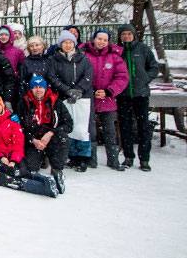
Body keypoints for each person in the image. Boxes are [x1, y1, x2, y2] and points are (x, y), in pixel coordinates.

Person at [81, 29, 129, 171]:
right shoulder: (84, 55)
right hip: (89, 97)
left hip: (108, 99)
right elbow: (81, 75)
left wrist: (109, 91)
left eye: (104, 40)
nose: (101, 42)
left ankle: (113, 160)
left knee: (110, 131)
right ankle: (91, 159)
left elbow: (122, 77)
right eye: (99, 38)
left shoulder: (115, 57)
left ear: (108, 42)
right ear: (93, 39)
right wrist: (91, 90)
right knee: (90, 131)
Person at [47, 30, 94, 172]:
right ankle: (70, 156)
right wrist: (66, 90)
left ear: (74, 43)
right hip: (64, 97)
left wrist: (79, 90)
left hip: (82, 98)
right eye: (64, 42)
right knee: (68, 127)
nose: (67, 45)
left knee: (81, 128)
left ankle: (83, 158)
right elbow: (52, 77)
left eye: (70, 42)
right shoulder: (54, 59)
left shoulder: (83, 59)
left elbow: (88, 76)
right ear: (60, 44)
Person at [17, 75, 71, 193]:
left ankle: (57, 169)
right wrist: (32, 140)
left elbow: (69, 124)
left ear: (45, 88)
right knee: (31, 168)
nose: (38, 90)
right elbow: (19, 126)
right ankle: (41, 158)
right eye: (35, 87)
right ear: (31, 89)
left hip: (52, 137)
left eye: (41, 87)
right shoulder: (24, 103)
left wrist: (51, 133)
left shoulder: (56, 102)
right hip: (33, 139)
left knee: (63, 138)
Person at [116, 24, 159, 171]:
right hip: (123, 94)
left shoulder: (143, 49)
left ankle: (144, 159)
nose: (126, 36)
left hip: (141, 94)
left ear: (134, 34)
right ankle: (128, 156)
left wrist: (146, 78)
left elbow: (154, 67)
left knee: (143, 127)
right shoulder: (118, 51)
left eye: (129, 33)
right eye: (123, 34)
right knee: (125, 126)